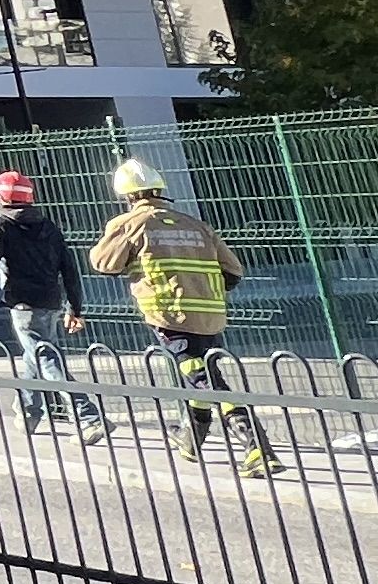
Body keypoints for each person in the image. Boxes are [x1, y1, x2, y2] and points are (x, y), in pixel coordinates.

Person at [88, 156, 277, 476]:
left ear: (128, 197)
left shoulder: (129, 224)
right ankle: (192, 437)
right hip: (210, 316)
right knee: (201, 374)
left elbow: (103, 263)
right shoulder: (195, 224)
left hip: (170, 317)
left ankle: (256, 445)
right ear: (159, 190)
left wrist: (119, 234)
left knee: (205, 380)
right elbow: (233, 271)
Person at [0, 169, 105, 442]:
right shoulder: (47, 226)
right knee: (35, 354)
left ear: (0, 195)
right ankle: (28, 411)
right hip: (51, 300)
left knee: (45, 358)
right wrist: (75, 308)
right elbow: (68, 267)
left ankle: (88, 417)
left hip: (23, 303)